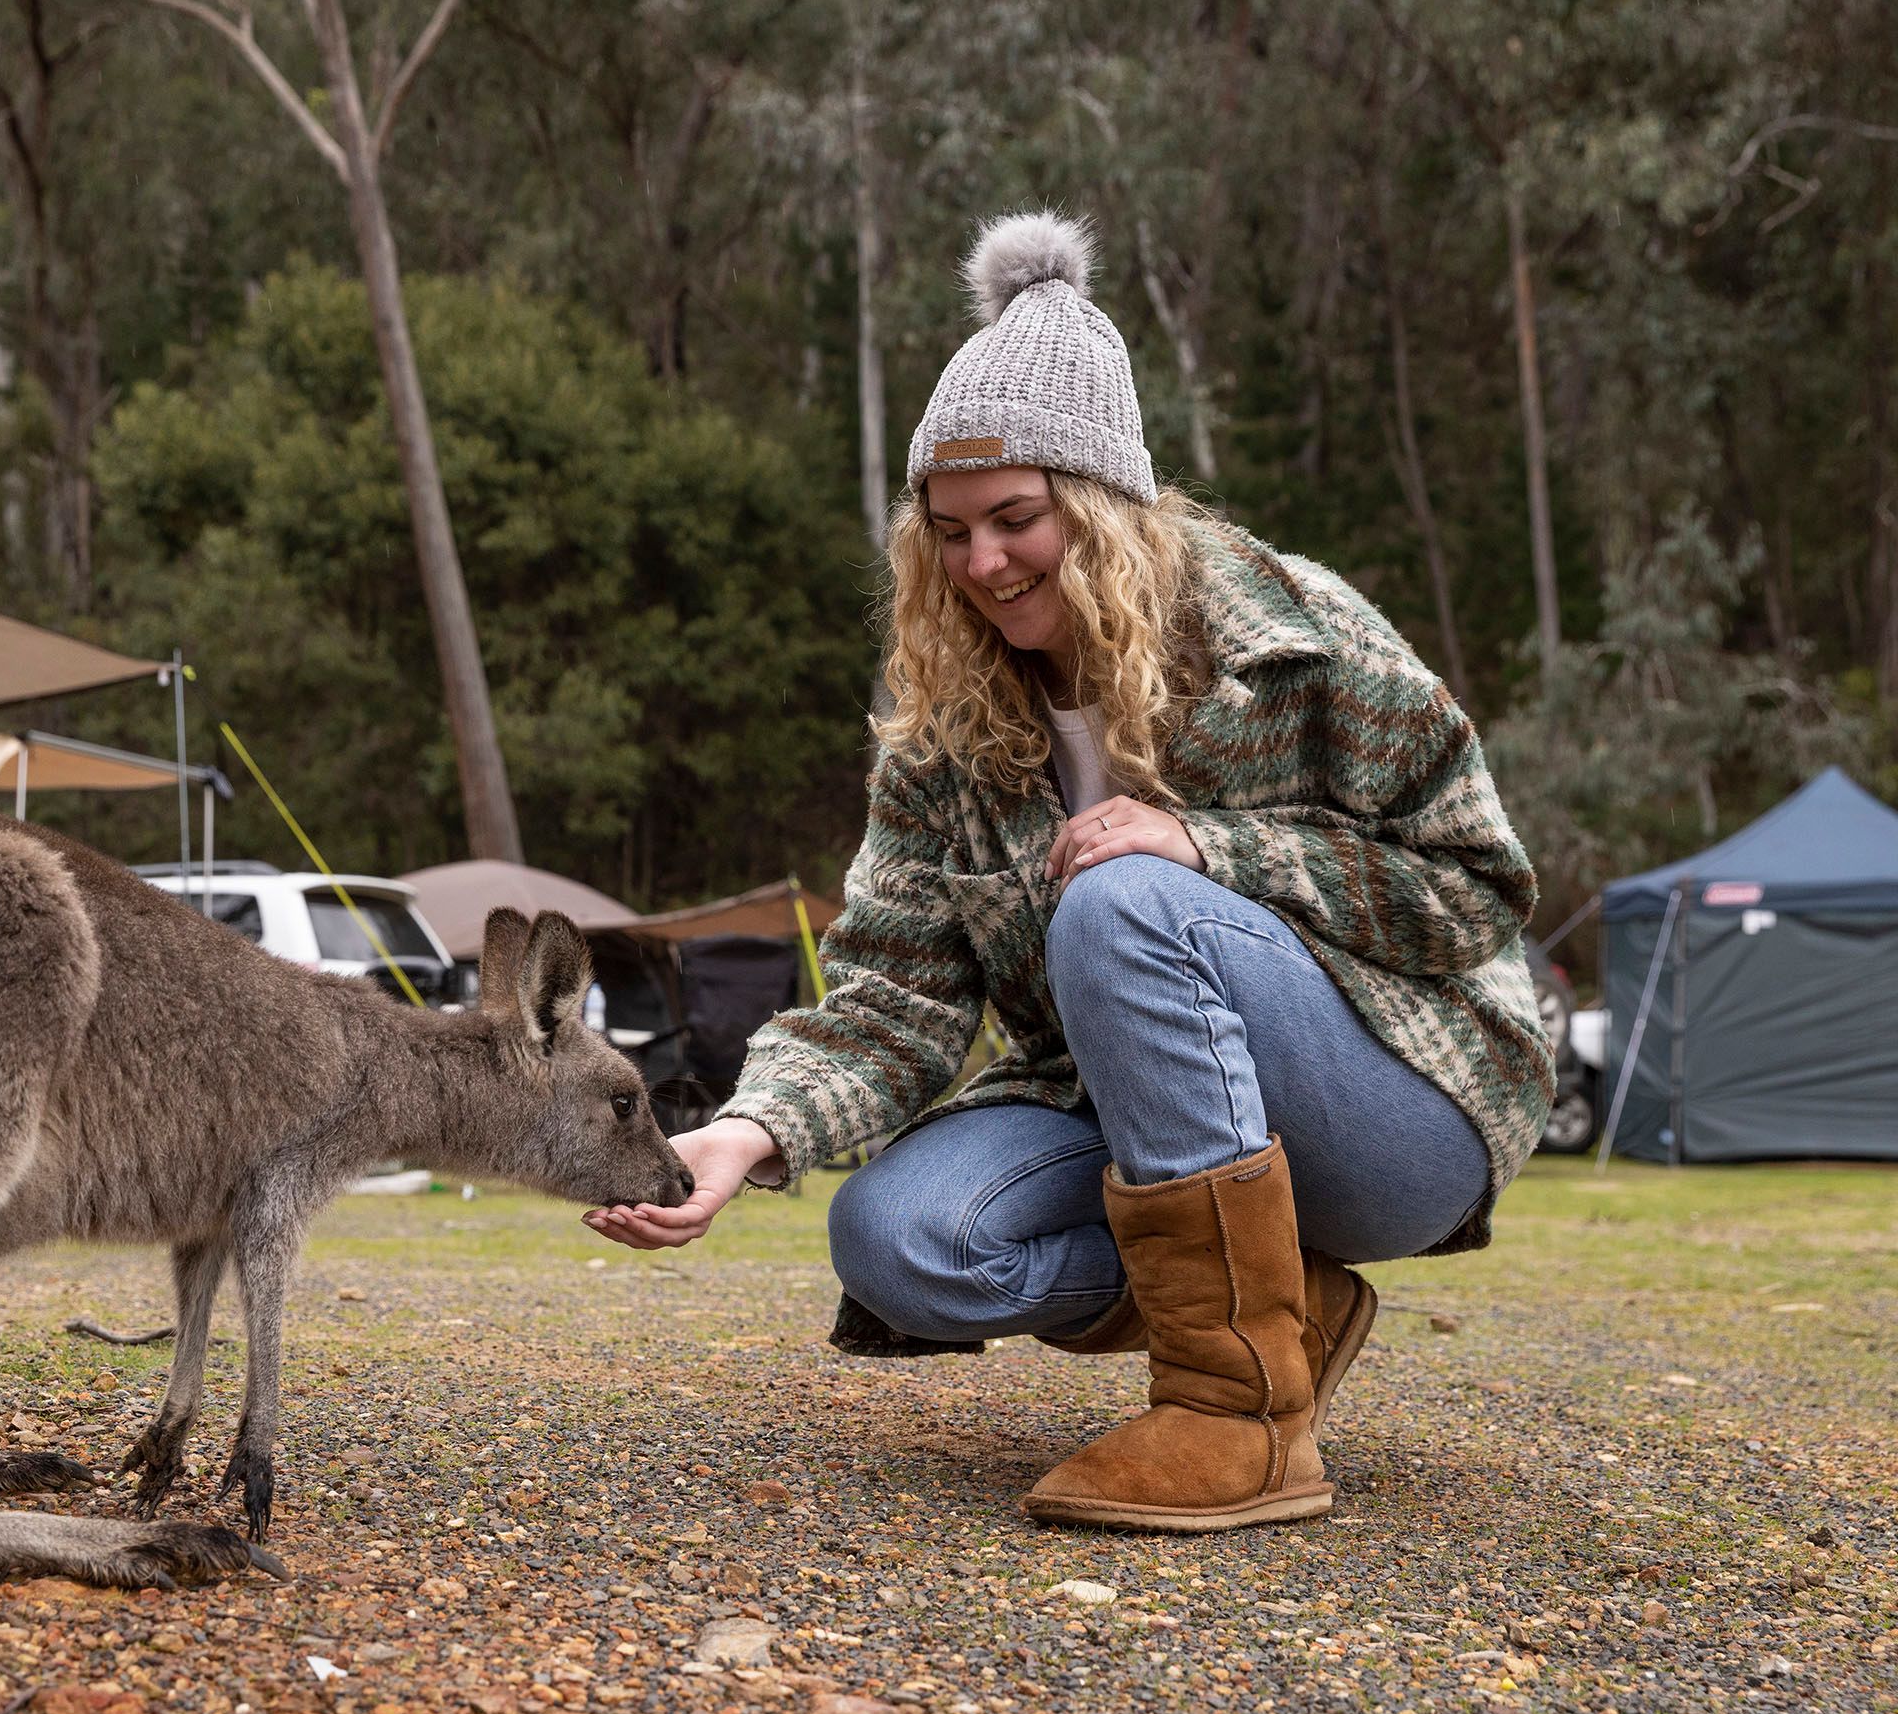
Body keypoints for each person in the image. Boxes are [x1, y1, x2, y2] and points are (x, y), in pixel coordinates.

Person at [583, 210, 1554, 1533]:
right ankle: (1290, 1311)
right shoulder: (948, 726)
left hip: (1400, 1099)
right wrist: (746, 1136)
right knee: (899, 1242)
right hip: (1127, 1114)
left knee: (1123, 900)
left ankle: (1236, 1418)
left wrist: (1216, 848)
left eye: (1017, 519)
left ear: (1101, 505)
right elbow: (894, 991)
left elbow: (1476, 896)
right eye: (950, 531)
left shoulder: (1301, 643)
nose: (983, 565)